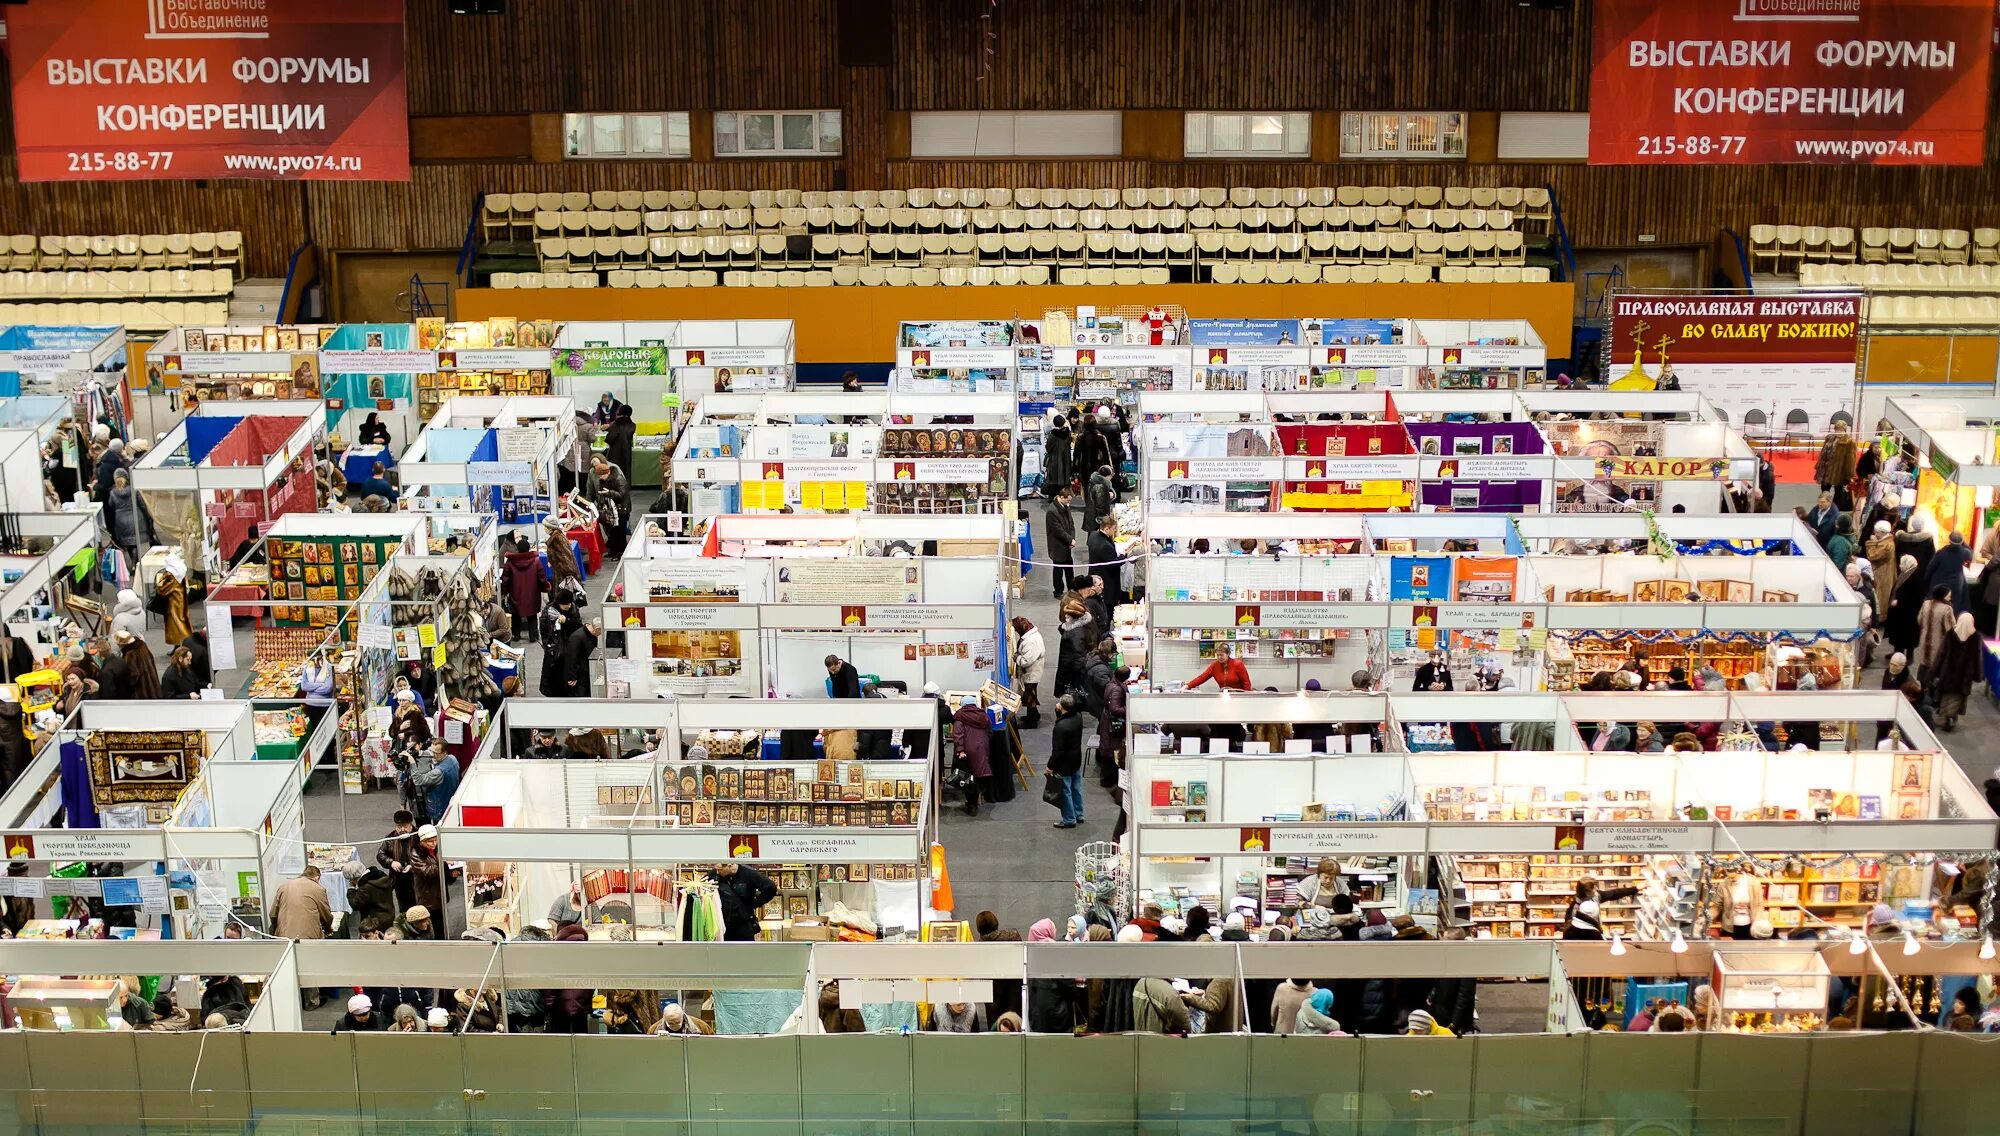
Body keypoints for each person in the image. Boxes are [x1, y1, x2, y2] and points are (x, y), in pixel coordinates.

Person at [272, 864, 334, 1008]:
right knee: (307, 966)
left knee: (288, 966)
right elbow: (326, 915)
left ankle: (288, 1000)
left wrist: (277, 930)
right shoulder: (318, 889)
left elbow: (273, 913)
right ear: (317, 877)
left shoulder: (284, 886)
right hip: (307, 935)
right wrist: (328, 929)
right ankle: (312, 1001)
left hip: (284, 933)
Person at [1932, 612, 1983, 732]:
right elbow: (1977, 658)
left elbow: (1941, 654)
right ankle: (1951, 717)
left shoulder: (1951, 635)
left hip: (1948, 674)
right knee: (1958, 698)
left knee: (1946, 696)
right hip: (1964, 677)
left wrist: (1935, 671)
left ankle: (1946, 716)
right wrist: (1977, 675)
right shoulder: (1975, 637)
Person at [1047, 693, 1086, 829]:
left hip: (1064, 764)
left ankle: (1069, 819)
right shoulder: (1078, 717)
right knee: (1076, 787)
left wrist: (1050, 766)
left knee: (1065, 791)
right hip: (1075, 759)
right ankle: (1079, 813)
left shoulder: (1061, 727)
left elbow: (1057, 751)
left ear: (1062, 706)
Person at [712, 861, 777, 941]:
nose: (717, 872)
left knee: (746, 952)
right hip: (722, 925)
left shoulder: (749, 873)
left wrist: (755, 903)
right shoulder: (714, 874)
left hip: (743, 924)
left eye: (720, 869)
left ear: (729, 865)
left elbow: (771, 888)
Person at [951, 695, 992, 816]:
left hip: (967, 751)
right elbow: (990, 731)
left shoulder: (960, 716)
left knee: (967, 777)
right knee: (978, 775)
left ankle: (971, 804)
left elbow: (958, 734)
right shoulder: (983, 715)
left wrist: (960, 749)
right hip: (981, 749)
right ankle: (976, 800)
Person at [1561, 878, 1639, 940]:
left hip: (1595, 934)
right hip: (1583, 940)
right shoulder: (1574, 909)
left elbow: (1614, 894)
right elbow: (1569, 932)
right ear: (1587, 893)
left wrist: (1635, 888)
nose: (1596, 890)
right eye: (1594, 889)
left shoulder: (1595, 896)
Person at [501, 534, 545, 643]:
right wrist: (545, 587)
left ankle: (516, 634)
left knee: (516, 615)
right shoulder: (536, 561)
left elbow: (505, 579)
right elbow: (541, 578)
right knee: (532, 614)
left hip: (516, 593)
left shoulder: (510, 562)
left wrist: (504, 591)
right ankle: (533, 635)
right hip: (532, 593)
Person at [377, 810, 420, 913]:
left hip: (417, 877)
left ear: (411, 825)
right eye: (398, 826)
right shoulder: (391, 837)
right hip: (398, 878)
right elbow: (380, 854)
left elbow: (424, 855)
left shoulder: (418, 836)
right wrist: (391, 862)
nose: (402, 829)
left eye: (405, 826)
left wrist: (412, 865)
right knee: (403, 906)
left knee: (418, 905)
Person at [1886, 554, 1927, 657]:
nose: (1900, 565)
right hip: (1905, 611)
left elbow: (1913, 596)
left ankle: (1905, 654)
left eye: (1901, 563)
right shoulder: (1908, 573)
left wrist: (1898, 602)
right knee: (1903, 633)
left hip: (1908, 612)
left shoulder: (1914, 577)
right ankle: (1899, 652)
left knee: (1906, 633)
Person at [1097, 664, 1129, 791]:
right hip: (1112, 725)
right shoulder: (1117, 689)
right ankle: (1108, 780)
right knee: (1111, 751)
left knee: (1108, 750)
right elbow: (1115, 709)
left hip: (1106, 721)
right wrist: (1130, 707)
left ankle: (1107, 778)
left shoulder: (1111, 684)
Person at [1916, 584, 1956, 684]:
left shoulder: (1926, 603)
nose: (1950, 597)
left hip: (1924, 641)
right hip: (1939, 644)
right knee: (1936, 667)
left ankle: (1922, 690)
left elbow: (1919, 620)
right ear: (1943, 595)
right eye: (1948, 595)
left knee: (1924, 665)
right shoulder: (1947, 608)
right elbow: (1950, 630)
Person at [1928, 530, 1974, 614]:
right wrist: (1963, 543)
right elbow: (1970, 554)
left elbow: (1930, 568)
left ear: (1949, 540)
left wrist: (1926, 579)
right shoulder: (1964, 553)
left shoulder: (1941, 553)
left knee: (1937, 605)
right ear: (1961, 541)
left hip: (1939, 582)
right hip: (1956, 585)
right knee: (1954, 607)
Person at [1012, 616, 1046, 729]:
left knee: (1030, 696)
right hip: (1032, 671)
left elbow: (1027, 660)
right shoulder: (1030, 635)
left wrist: (1016, 657)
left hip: (1032, 672)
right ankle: (1034, 715)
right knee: (1029, 694)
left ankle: (1032, 722)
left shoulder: (1031, 641)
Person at [106, 469, 144, 567]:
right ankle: (135, 563)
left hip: (121, 520)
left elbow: (111, 504)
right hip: (135, 517)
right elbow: (142, 503)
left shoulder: (113, 491)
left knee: (128, 543)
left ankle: (133, 563)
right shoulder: (133, 489)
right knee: (135, 542)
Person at [1045, 486, 1076, 599]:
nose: (1069, 502)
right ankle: (1058, 591)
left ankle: (1072, 589)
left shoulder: (1065, 506)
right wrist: (1070, 539)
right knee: (1058, 570)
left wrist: (1072, 538)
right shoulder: (1052, 512)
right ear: (1062, 497)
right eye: (1068, 500)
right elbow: (1058, 530)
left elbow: (1071, 524)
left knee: (1069, 569)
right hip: (1057, 545)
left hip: (1066, 544)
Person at [1087, 516, 1125, 607]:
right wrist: (1124, 556)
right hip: (1107, 581)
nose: (1115, 531)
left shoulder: (1093, 535)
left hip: (1095, 573)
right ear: (1107, 528)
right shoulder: (1104, 546)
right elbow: (1114, 564)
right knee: (1108, 608)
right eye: (1113, 529)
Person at [558, 618, 601, 696]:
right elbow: (571, 658)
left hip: (585, 673)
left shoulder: (590, 635)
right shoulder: (577, 638)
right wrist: (572, 677)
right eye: (601, 632)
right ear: (597, 629)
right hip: (579, 678)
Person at [1186, 642, 1251, 691]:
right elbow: (1202, 677)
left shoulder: (1238, 664)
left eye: (1221, 655)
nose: (1219, 657)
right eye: (1218, 655)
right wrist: (1187, 686)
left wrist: (1246, 698)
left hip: (1239, 697)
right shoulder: (1214, 665)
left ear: (1228, 654)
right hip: (1224, 696)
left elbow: (1246, 683)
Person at [1867, 521, 1898, 622]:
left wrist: (1871, 543)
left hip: (1883, 576)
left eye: (1877, 532)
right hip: (1882, 575)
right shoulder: (1885, 542)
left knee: (1880, 598)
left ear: (1882, 532)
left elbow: (1872, 555)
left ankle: (1879, 617)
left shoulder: (1887, 545)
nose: (1875, 534)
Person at [1044, 412, 1074, 499]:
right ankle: (1063, 495)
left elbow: (1048, 448)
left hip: (1054, 460)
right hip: (1065, 459)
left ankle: (1053, 497)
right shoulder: (1067, 433)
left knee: (1054, 479)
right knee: (1064, 478)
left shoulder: (1053, 435)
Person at [1083, 464, 1116, 533]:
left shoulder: (1096, 482)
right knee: (1095, 536)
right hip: (1096, 518)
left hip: (1093, 516)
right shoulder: (1100, 486)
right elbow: (1100, 505)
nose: (1111, 478)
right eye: (1111, 476)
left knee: (1093, 536)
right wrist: (1104, 520)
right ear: (1107, 476)